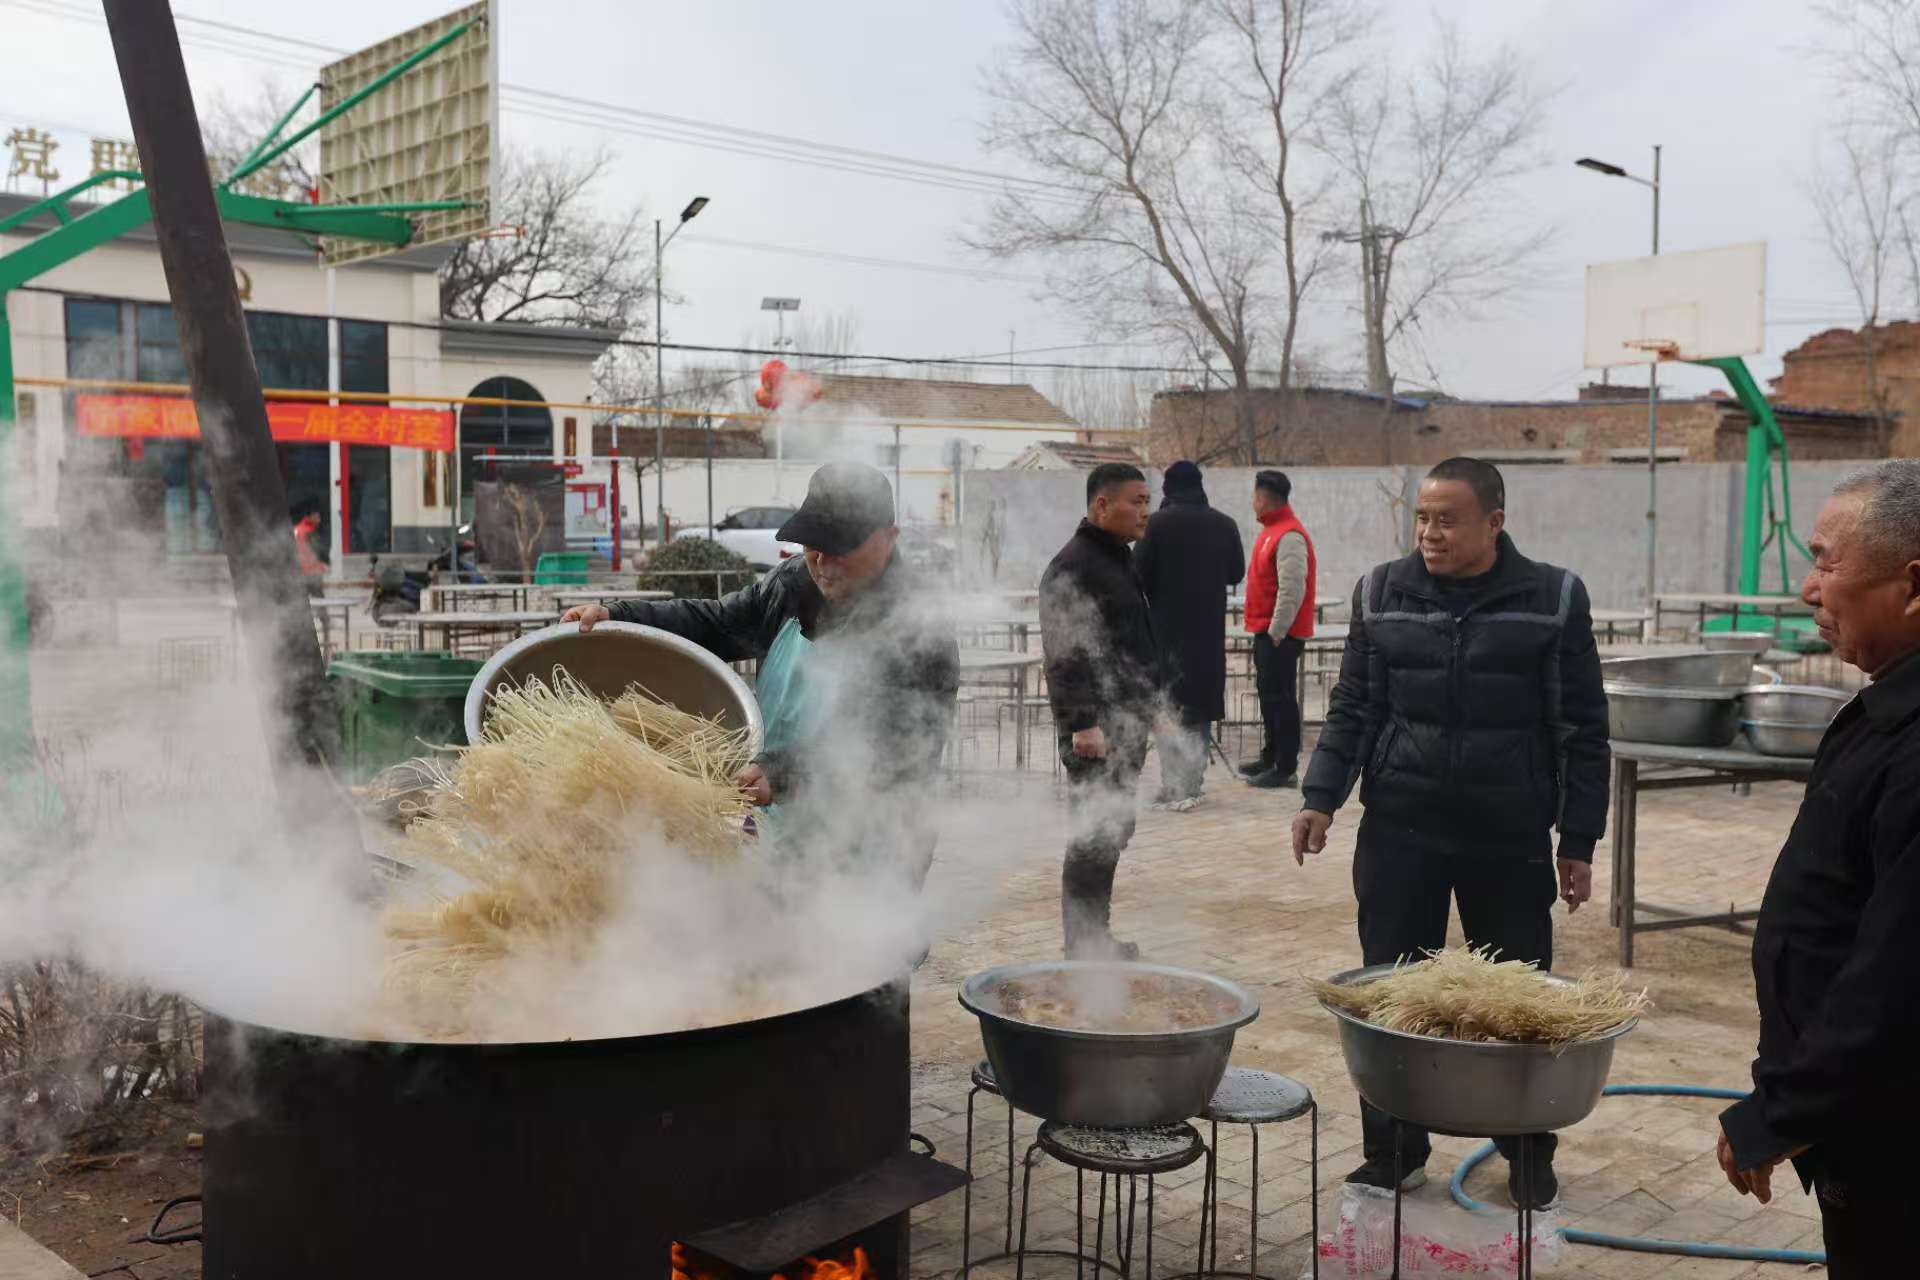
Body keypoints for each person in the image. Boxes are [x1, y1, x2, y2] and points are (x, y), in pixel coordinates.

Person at [1291, 456, 1609, 1207]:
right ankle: (1393, 1152)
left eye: (1448, 520)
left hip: (1509, 832)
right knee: (1391, 994)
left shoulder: (1553, 598)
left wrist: (1578, 841)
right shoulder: (1381, 592)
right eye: (1423, 519)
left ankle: (1527, 1150)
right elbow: (1355, 706)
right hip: (1401, 827)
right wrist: (1321, 797)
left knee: (1519, 997)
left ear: (1494, 523)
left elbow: (1582, 727)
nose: (1430, 534)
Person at [563, 462, 958, 888]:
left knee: (853, 930)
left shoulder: (921, 628)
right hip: (781, 834)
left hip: (873, 847)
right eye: (814, 545)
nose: (823, 562)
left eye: (841, 546)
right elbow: (719, 623)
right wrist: (621, 617)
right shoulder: (794, 585)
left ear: (889, 537)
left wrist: (784, 773)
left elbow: (893, 751)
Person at [1714, 460, 1920, 1277]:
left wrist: (1780, 1114)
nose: (1808, 589)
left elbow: (1895, 981)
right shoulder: (1887, 711)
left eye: (1826, 562)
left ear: (1912, 586)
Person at [1041, 462, 1156, 959]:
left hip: (1125, 721)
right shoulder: (1073, 566)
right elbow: (1063, 654)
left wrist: (1152, 706)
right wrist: (1082, 723)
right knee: (1093, 834)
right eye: (1137, 501)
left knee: (1112, 830)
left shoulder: (1117, 559)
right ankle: (1083, 945)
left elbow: (1129, 643)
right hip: (1096, 730)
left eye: (1148, 502)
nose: (1145, 512)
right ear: (1102, 505)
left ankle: (1096, 936)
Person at [1133, 460, 1245, 811]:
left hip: (1165, 633)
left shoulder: (1155, 525)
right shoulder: (1224, 524)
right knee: (1199, 707)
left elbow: (1136, 573)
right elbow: (1236, 572)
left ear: (1168, 488)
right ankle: (1193, 782)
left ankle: (1173, 784)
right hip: (1207, 633)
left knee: (1170, 706)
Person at [1240, 470, 1315, 788]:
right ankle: (1270, 757)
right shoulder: (1272, 531)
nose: (1253, 502)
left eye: (1255, 496)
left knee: (1281, 699)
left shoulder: (1289, 535)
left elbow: (1292, 588)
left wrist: (1277, 630)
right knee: (1269, 697)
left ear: (1264, 498)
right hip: (1267, 630)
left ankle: (1285, 768)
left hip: (1279, 634)